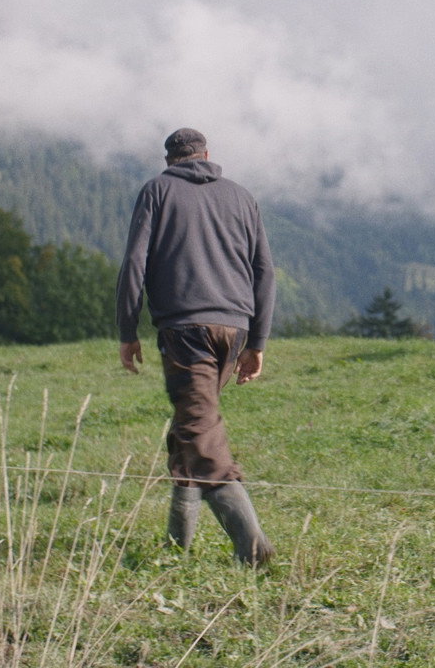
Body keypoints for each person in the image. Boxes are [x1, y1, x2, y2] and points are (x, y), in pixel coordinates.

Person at [116, 127, 276, 566]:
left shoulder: (157, 191)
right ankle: (175, 549)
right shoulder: (242, 197)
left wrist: (127, 329)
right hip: (235, 329)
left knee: (200, 435)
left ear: (170, 161)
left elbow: (135, 261)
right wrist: (256, 341)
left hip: (186, 330)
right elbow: (264, 271)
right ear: (207, 154)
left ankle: (252, 543)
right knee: (191, 425)